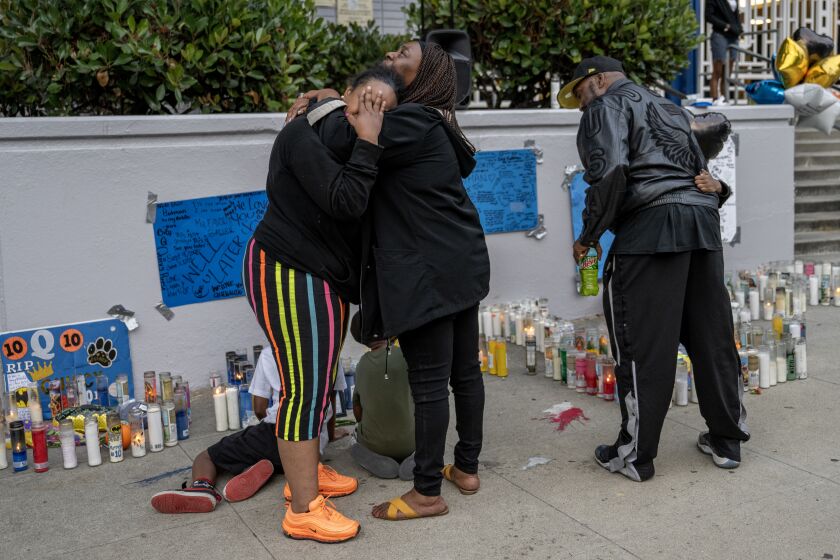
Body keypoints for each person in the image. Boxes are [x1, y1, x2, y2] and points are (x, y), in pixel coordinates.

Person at [291, 41, 489, 521]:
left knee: (428, 383)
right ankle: (464, 468)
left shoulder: (408, 122)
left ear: (424, 78)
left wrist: (328, 102)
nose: (391, 56)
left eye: (404, 55)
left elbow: (340, 138)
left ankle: (425, 493)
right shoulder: (432, 123)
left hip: (427, 272)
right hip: (459, 261)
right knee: (464, 372)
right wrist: (344, 96)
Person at [558, 56, 749, 483]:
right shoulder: (671, 107)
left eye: (581, 91)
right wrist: (721, 191)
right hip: (701, 224)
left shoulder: (604, 106)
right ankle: (726, 440)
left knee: (644, 343)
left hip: (652, 229)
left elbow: (609, 172)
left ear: (600, 79)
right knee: (711, 335)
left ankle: (635, 455)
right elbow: (698, 172)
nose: (581, 102)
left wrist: (588, 235)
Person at [243, 66, 402, 543]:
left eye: (382, 110)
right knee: (303, 390)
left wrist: (340, 103)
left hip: (317, 274)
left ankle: (305, 473)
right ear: (346, 97)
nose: (368, 115)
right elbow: (346, 199)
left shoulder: (330, 121)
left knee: (318, 378)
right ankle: (303, 507)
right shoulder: (303, 136)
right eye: (363, 103)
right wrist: (369, 138)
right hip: (290, 270)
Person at [150, 350, 344, 514]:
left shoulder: (271, 353)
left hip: (277, 430)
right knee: (283, 461)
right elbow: (332, 399)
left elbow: (259, 407)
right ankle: (263, 468)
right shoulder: (330, 350)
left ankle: (202, 487)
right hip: (313, 445)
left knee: (206, 457)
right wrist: (330, 435)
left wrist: (262, 433)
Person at [347, 312, 415, 480]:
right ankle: (418, 456)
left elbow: (357, 409)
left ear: (360, 338)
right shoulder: (407, 355)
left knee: (353, 438)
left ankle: (376, 456)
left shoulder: (362, 364)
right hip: (412, 440)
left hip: (375, 446)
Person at [706, 0, 743, 103]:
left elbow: (736, 15)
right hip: (720, 34)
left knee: (728, 72)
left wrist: (739, 29)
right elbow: (709, 16)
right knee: (718, 69)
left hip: (733, 35)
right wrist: (725, 26)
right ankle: (715, 99)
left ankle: (724, 98)